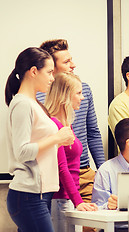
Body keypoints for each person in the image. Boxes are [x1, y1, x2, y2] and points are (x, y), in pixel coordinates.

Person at [5, 47, 75, 232]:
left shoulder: (34, 104)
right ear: (34, 71)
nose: (53, 78)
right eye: (49, 72)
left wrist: (58, 141)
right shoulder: (22, 104)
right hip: (28, 195)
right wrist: (56, 138)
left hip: (39, 194)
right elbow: (22, 152)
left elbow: (39, 144)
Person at [37, 39, 105, 204]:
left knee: (94, 225)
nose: (73, 65)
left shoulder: (84, 90)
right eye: (67, 61)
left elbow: (93, 133)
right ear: (51, 67)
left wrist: (103, 172)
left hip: (84, 171)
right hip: (58, 177)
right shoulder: (38, 96)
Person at [45, 72, 98, 232]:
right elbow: (62, 168)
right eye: (79, 93)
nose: (82, 97)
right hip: (60, 199)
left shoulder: (67, 124)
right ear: (65, 95)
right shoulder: (54, 125)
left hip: (70, 197)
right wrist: (78, 201)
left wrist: (78, 200)